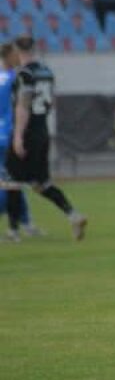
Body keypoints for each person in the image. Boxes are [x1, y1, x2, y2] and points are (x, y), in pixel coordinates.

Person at [2, 37, 88, 241]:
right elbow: (52, 102)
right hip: (43, 132)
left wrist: (18, 136)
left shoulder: (24, 74)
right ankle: (73, 215)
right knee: (41, 183)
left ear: (16, 50)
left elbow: (23, 105)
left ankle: (13, 232)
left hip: (28, 131)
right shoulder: (46, 72)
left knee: (10, 182)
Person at [1, 42, 40, 242]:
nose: (18, 57)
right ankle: (20, 226)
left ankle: (23, 224)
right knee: (10, 184)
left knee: (13, 182)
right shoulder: (14, 78)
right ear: (7, 56)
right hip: (8, 135)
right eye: (15, 54)